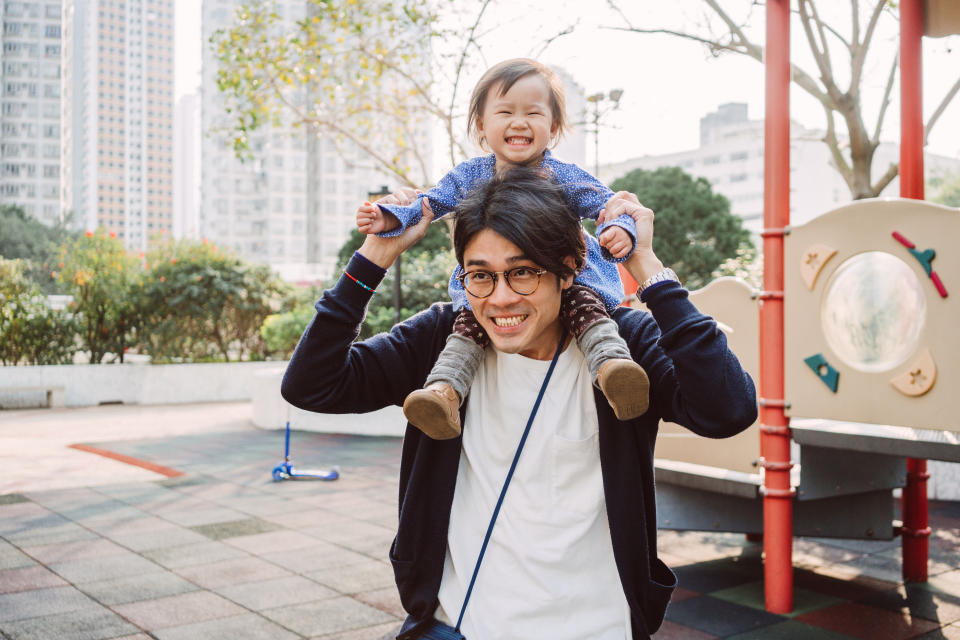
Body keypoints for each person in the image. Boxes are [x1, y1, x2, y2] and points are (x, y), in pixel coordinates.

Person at [282, 167, 757, 639]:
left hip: (597, 627)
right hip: (457, 624)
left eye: (523, 273)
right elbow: (311, 385)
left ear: (570, 268)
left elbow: (728, 409)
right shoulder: (441, 342)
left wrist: (648, 269)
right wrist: (374, 257)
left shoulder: (623, 346)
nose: (500, 299)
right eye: (481, 276)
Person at [355, 58, 648, 440]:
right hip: (499, 290)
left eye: (533, 112)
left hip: (569, 279)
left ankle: (613, 368)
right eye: (505, 111)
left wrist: (619, 230)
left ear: (553, 127)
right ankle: (444, 392)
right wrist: (391, 217)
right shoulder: (469, 176)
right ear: (481, 124)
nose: (519, 121)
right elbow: (429, 202)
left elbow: (610, 205)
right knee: (466, 327)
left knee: (585, 308)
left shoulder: (565, 176)